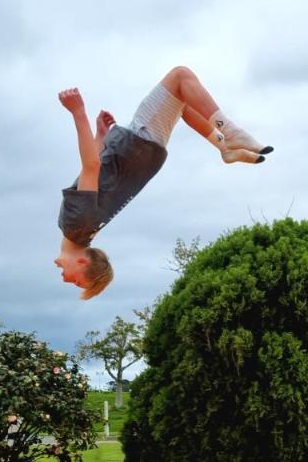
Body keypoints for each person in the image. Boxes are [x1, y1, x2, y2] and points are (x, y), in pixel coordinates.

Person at [54, 66, 271, 299]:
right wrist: (78, 112)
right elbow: (91, 167)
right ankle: (229, 133)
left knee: (183, 99)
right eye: (77, 282)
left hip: (142, 154)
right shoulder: (76, 225)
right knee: (180, 76)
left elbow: (93, 176)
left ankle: (225, 147)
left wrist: (100, 137)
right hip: (138, 144)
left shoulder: (83, 233)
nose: (67, 280)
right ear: (82, 262)